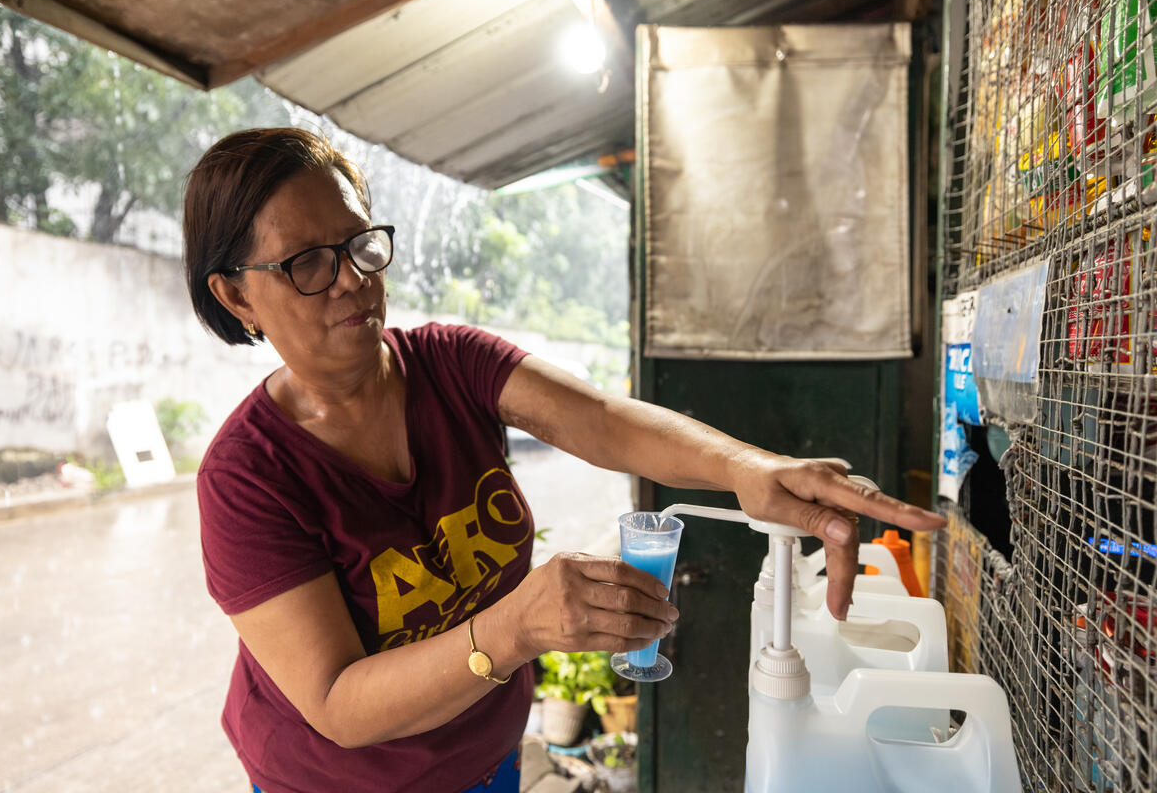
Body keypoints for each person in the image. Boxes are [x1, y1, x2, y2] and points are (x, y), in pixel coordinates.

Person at [182, 127, 945, 793]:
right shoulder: (248, 478)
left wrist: (745, 467)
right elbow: (337, 703)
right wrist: (513, 630)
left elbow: (602, 420)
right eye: (306, 264)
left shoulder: (450, 365)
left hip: (485, 756)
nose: (352, 278)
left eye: (359, 243)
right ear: (237, 297)